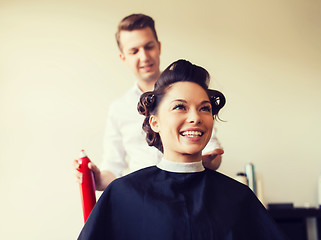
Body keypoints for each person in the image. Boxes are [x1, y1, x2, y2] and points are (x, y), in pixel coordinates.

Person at [77, 60, 286, 240]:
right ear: (155, 122)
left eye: (204, 108)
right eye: (180, 107)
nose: (195, 117)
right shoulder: (123, 194)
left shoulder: (239, 198)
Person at [76, 14, 223, 191]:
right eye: (134, 51)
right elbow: (112, 168)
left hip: (190, 189)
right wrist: (97, 179)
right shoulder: (119, 109)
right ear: (123, 57)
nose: (144, 57)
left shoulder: (189, 92)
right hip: (143, 198)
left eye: (149, 47)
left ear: (159, 47)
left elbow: (212, 152)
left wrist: (203, 159)